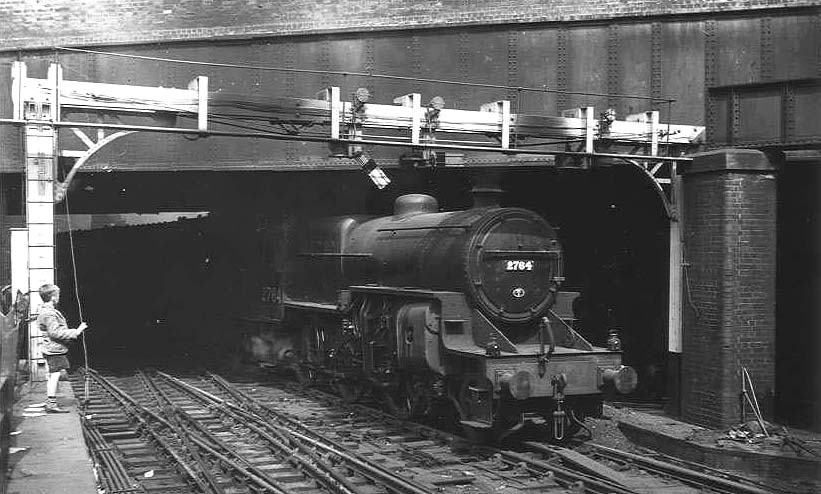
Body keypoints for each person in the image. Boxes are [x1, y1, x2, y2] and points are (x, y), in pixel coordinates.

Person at [36, 284, 87, 413]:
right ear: (53, 297)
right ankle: (51, 404)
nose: (59, 297)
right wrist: (77, 331)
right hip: (54, 350)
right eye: (57, 295)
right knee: (55, 375)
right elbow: (55, 332)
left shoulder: (46, 310)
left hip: (52, 348)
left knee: (52, 374)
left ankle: (50, 400)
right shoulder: (49, 313)